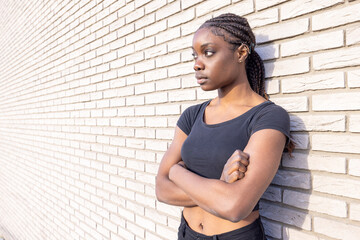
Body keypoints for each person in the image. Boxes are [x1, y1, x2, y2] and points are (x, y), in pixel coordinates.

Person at [156, 13, 293, 240]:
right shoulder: (192, 115)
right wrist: (219, 187)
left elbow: (234, 206)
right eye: (195, 55)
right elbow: (161, 190)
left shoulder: (268, 117)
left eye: (208, 53)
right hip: (186, 233)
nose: (197, 65)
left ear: (241, 53)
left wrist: (176, 172)